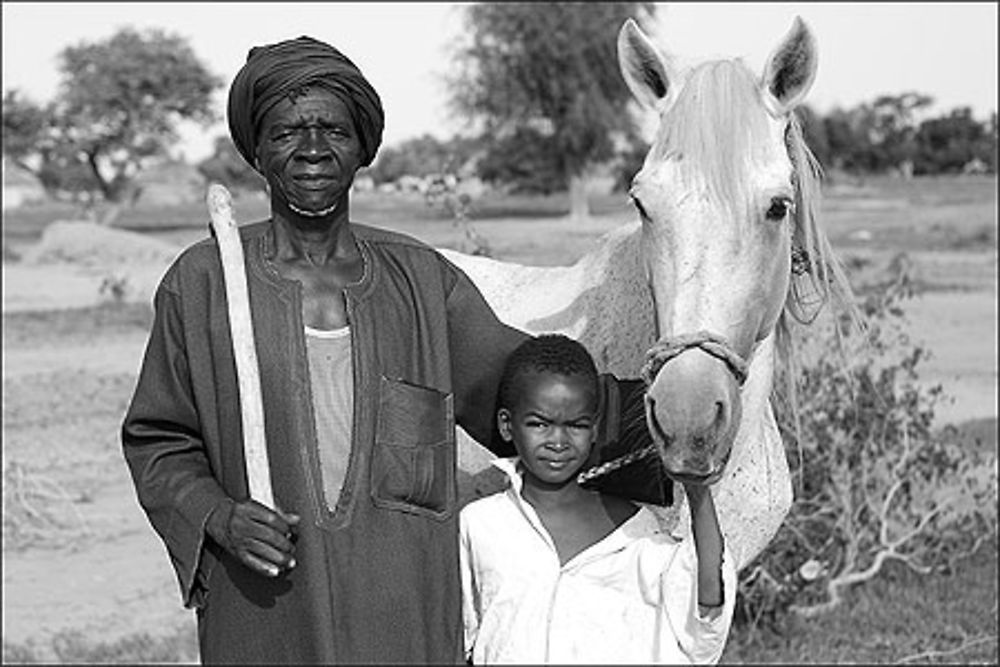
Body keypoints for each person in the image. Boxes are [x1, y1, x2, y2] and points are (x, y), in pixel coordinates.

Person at [121, 36, 665, 664]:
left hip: (406, 613)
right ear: (257, 151)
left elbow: (528, 397)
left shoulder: (422, 282)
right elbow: (159, 440)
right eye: (287, 132)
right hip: (265, 613)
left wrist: (670, 423)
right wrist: (219, 517)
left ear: (361, 148)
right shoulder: (204, 283)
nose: (314, 150)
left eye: (333, 130)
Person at [460, 334, 736, 664]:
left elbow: (704, 608)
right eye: (538, 424)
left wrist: (697, 489)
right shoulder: (481, 524)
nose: (557, 441)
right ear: (507, 425)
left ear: (594, 430)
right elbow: (460, 634)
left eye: (575, 425)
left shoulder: (637, 532)